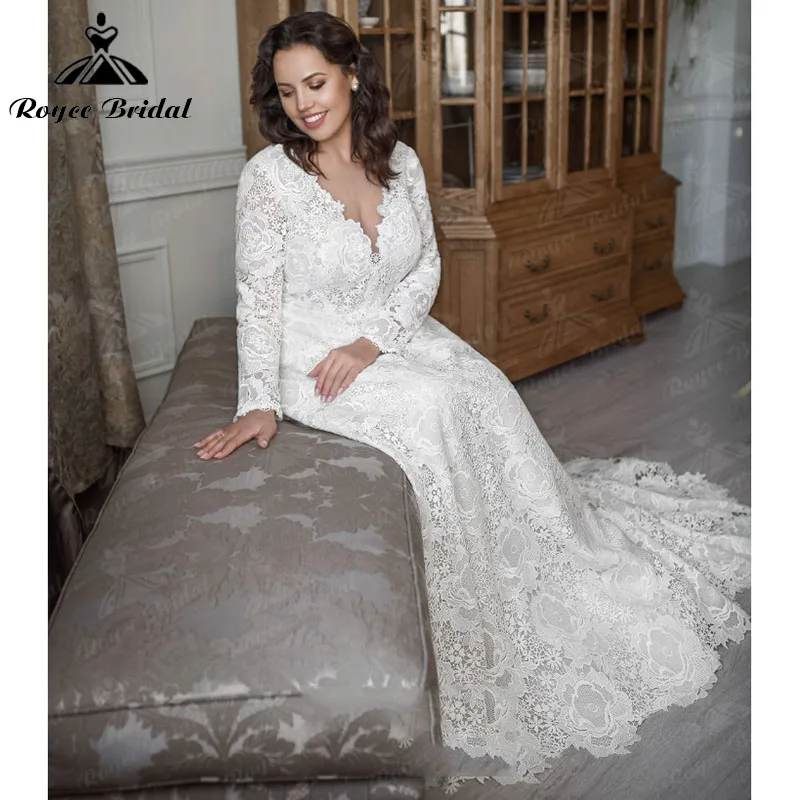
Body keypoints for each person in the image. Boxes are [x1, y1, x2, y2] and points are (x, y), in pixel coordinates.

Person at [193, 10, 751, 785]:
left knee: (483, 385)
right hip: (310, 353)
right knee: (431, 412)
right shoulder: (268, 179)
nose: (304, 105)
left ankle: (550, 552)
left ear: (351, 74)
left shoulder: (401, 160)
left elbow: (424, 268)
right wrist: (257, 399)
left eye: (315, 84)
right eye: (287, 92)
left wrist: (375, 340)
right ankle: (470, 620)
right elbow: (257, 297)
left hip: (385, 333)